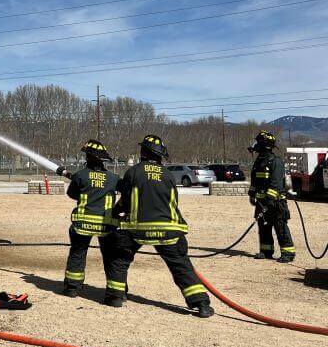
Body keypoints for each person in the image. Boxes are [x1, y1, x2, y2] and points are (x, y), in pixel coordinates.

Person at [109, 134, 215, 318]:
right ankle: (201, 304)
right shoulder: (168, 174)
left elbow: (126, 201)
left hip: (137, 228)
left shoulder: (133, 172)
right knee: (181, 265)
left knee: (118, 258)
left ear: (143, 152)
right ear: (160, 155)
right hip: (169, 229)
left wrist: (115, 211)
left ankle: (115, 297)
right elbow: (172, 202)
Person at [55, 139, 121, 298]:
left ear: (89, 157)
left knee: (78, 253)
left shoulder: (80, 175)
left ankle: (72, 288)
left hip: (82, 224)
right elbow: (125, 193)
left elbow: (72, 194)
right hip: (106, 225)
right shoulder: (114, 178)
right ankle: (116, 295)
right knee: (111, 257)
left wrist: (86, 188)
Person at [248, 130, 296, 262]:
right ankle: (266, 251)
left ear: (264, 145)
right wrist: (252, 194)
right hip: (261, 202)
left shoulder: (275, 161)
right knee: (263, 227)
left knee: (280, 227)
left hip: (276, 202)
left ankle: (288, 253)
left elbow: (276, 183)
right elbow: (255, 180)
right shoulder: (259, 161)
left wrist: (270, 199)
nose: (255, 145)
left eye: (257, 142)